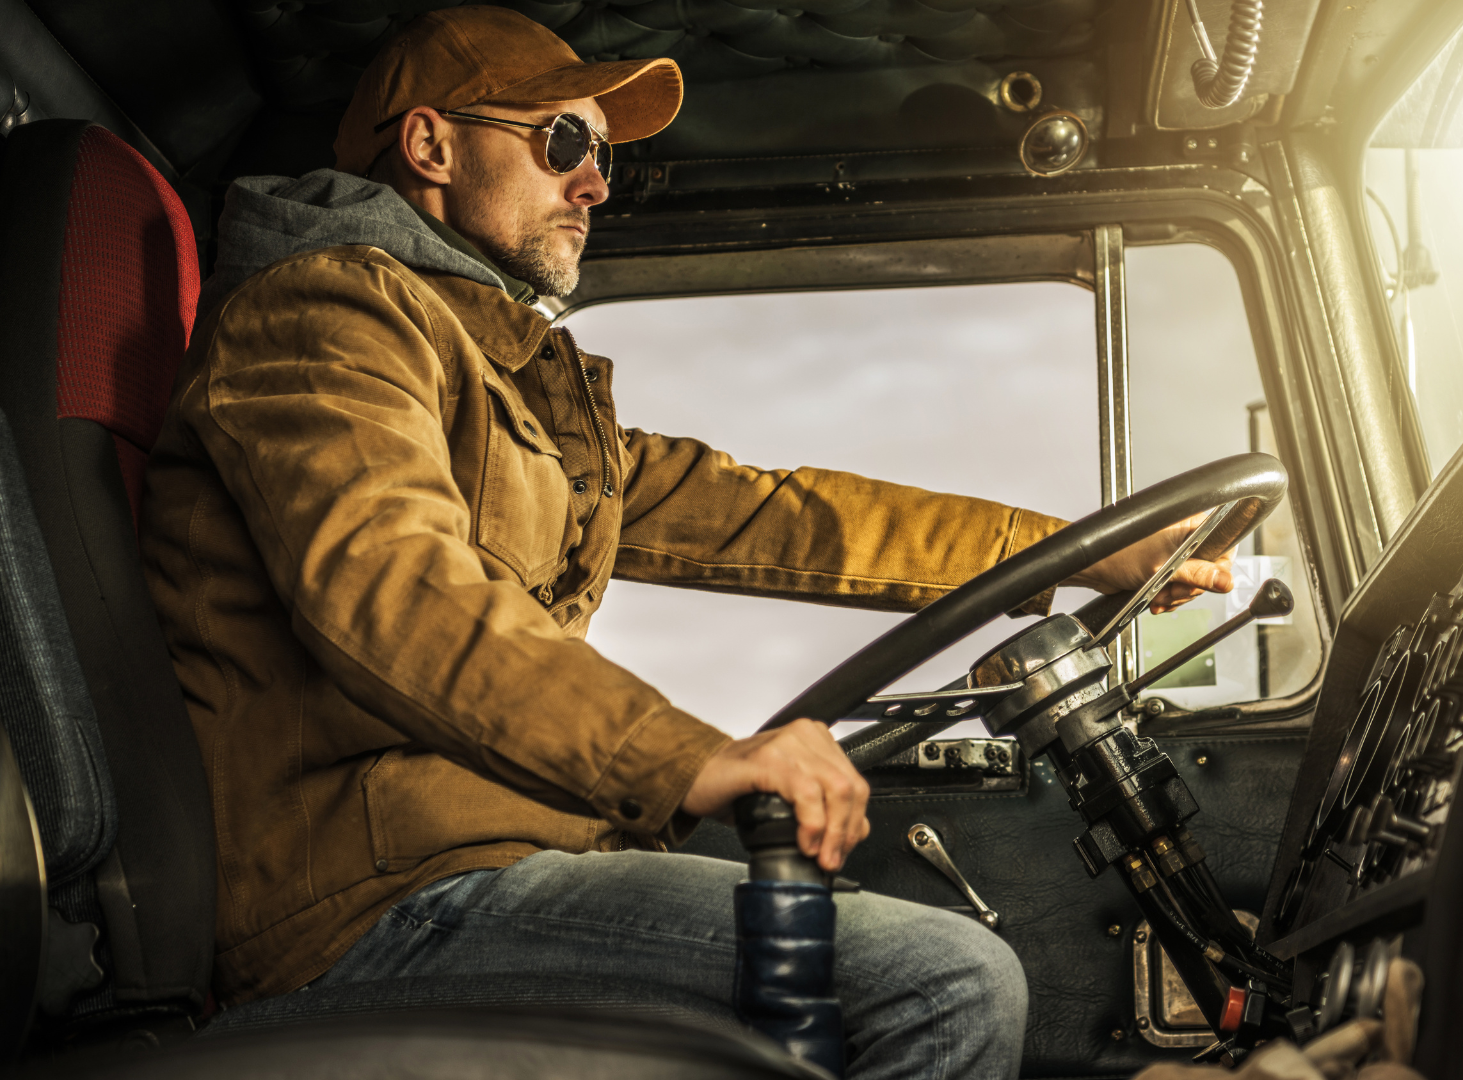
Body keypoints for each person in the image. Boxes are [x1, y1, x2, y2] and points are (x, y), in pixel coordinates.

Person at [140, 8, 1232, 1078]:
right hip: (374, 894)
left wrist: (1089, 550)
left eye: (603, 154)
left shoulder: (514, 379)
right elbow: (394, 589)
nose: (595, 184)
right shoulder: (323, 319)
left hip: (513, 846)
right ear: (431, 144)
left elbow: (780, 516)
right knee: (947, 980)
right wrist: (694, 756)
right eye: (563, 141)